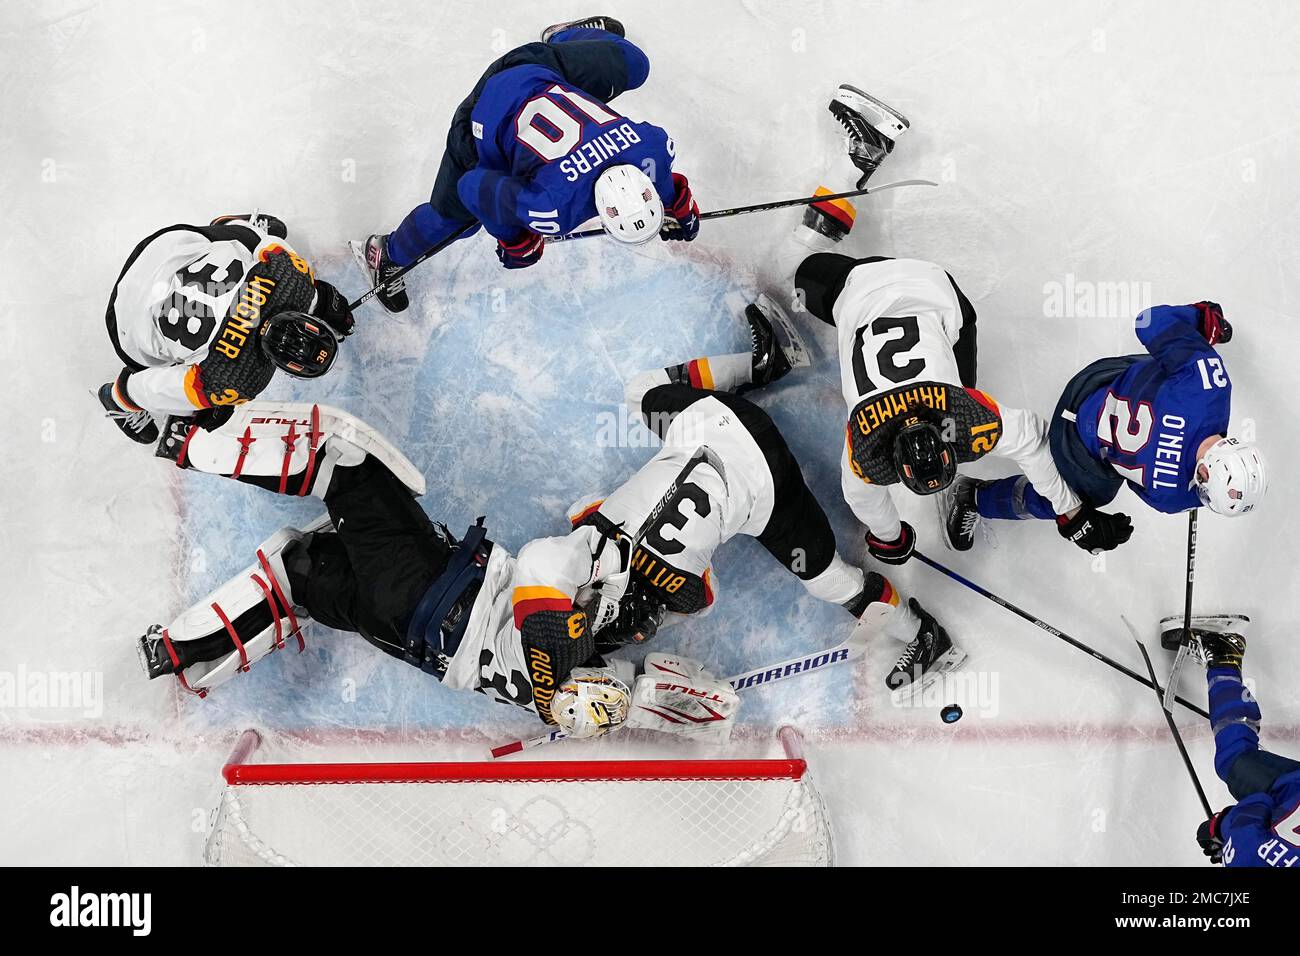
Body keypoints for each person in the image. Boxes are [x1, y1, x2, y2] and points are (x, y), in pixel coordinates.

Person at [134, 304, 963, 740]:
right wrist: (596, 692)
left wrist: (582, 680)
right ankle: (177, 651)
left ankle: (184, 438)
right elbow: (707, 699)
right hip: (422, 636)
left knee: (344, 462)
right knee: (295, 574)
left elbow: (542, 568)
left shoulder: (595, 571)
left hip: (431, 596)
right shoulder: (604, 625)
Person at [790, 254, 1130, 563]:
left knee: (804, 278)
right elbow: (1032, 441)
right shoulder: (956, 421)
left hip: (890, 286)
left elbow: (1033, 438)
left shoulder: (880, 447)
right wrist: (889, 539)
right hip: (882, 284)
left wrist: (892, 538)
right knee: (806, 277)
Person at [354, 15, 698, 314]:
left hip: (538, 66)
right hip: (478, 119)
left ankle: (563, 38)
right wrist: (512, 238)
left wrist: (677, 204)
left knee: (635, 64)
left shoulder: (651, 147)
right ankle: (386, 254)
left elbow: (662, 177)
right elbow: (472, 187)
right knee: (456, 218)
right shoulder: (552, 207)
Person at [942, 302, 1266, 551]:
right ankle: (972, 497)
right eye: (1206, 492)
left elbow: (1149, 321)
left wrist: (1198, 321)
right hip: (1073, 443)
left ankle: (1172, 359)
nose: (1200, 496)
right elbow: (1134, 481)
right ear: (1207, 473)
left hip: (1096, 380)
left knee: (1170, 368)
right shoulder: (1174, 498)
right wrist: (1079, 519)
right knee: (1071, 501)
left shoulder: (1210, 384)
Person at [98, 212, 355, 446]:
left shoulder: (295, 276)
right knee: (205, 404)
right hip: (124, 325)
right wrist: (127, 394)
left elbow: (257, 243)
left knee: (249, 244)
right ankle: (117, 399)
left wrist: (320, 299)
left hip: (161, 248)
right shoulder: (238, 380)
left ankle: (228, 224)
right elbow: (158, 387)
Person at [1187, 618, 1300, 868]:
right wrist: (1221, 828)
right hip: (1290, 790)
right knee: (1235, 757)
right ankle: (1224, 655)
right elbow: (1252, 816)